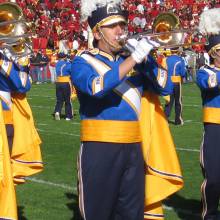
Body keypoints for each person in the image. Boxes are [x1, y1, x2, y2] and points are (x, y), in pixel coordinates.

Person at [71, 1, 176, 219]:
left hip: (134, 150)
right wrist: (133, 59)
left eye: (122, 24)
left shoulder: (135, 62)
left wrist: (147, 60)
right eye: (112, 26)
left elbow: (166, 87)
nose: (120, 31)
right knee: (97, 213)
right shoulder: (83, 61)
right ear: (97, 33)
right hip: (99, 149)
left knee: (132, 214)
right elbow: (96, 88)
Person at [196, 8, 220, 220]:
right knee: (214, 178)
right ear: (213, 52)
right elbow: (211, 84)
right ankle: (210, 215)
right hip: (215, 130)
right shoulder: (206, 71)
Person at [164, 47, 186, 125]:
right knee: (178, 101)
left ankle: (165, 119)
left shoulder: (166, 59)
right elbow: (183, 73)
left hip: (168, 81)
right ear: (177, 51)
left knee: (169, 101)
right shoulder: (180, 59)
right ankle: (178, 120)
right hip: (176, 81)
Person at [54, 52, 73, 121]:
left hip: (58, 82)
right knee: (68, 100)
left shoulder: (57, 64)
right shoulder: (67, 63)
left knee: (59, 100)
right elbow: (71, 71)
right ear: (64, 57)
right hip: (66, 82)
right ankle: (68, 116)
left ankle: (57, 111)